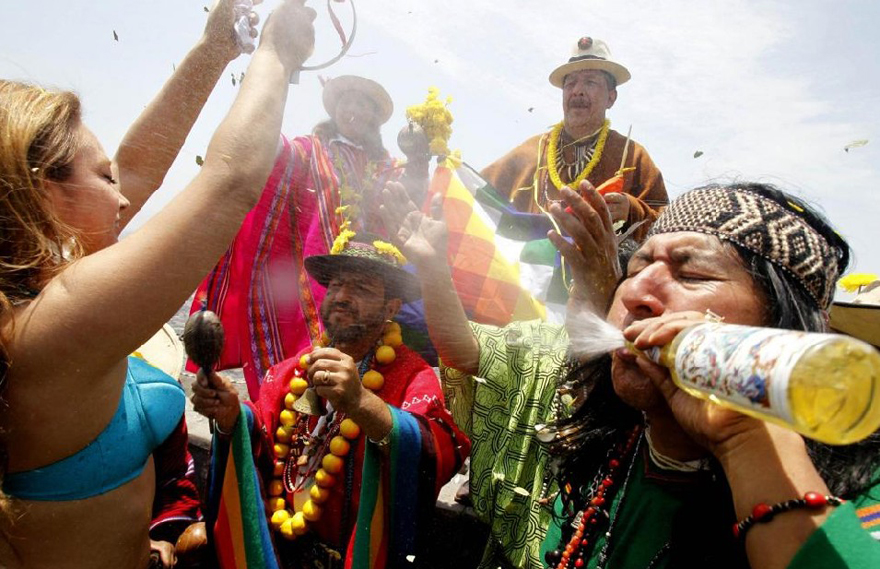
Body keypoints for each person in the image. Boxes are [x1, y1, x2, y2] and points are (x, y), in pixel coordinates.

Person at [381, 181, 880, 569]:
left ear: (779, 327)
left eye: (692, 275)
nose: (639, 292)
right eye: (636, 266)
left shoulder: (859, 502)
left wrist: (746, 437)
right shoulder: (601, 444)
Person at [0, 1, 317, 567]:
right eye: (103, 178)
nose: (125, 197)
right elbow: (231, 182)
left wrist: (215, 48)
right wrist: (276, 52)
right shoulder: (53, 324)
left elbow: (140, 166)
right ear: (41, 191)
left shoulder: (34, 301)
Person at [191, 233, 469, 569]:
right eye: (336, 285)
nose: (341, 296)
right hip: (282, 553)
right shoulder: (292, 370)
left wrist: (360, 402)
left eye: (361, 288)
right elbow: (263, 437)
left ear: (391, 309)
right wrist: (233, 416)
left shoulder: (414, 375)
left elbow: (438, 450)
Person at [191, 75, 430, 398]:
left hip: (367, 269)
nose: (354, 109)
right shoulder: (308, 149)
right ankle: (291, 416)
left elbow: (412, 199)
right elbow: (269, 152)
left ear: (376, 117)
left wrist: (419, 159)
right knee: (307, 357)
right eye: (347, 101)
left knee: (364, 343)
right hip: (313, 270)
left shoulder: (386, 165)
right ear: (334, 109)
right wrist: (260, 99)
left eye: (363, 103)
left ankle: (355, 413)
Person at [480, 36, 667, 241]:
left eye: (590, 82)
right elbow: (478, 195)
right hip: (529, 269)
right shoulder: (530, 151)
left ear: (611, 98)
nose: (577, 91)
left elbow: (669, 227)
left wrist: (632, 211)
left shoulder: (632, 157)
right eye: (570, 84)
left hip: (602, 272)